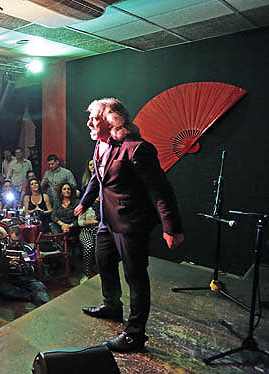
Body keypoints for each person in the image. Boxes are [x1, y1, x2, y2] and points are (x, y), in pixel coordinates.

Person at [74, 98, 184, 353]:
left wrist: (171, 227)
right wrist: (84, 202)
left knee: (135, 276)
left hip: (132, 223)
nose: (89, 122)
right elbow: (97, 179)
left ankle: (135, 334)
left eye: (95, 118)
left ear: (111, 121)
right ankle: (112, 306)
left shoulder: (137, 149)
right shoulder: (101, 145)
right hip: (107, 221)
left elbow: (160, 190)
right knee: (104, 263)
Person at [0, 225, 51, 307]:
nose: (16, 243)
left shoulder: (26, 247)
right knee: (3, 289)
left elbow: (33, 266)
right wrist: (7, 264)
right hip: (7, 277)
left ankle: (47, 304)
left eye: (18, 240)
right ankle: (32, 297)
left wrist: (23, 267)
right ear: (7, 237)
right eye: (13, 241)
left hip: (23, 277)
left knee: (39, 286)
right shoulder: (0, 246)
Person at [78, 197, 100, 280]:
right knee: (89, 246)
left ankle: (101, 269)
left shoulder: (104, 204)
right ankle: (87, 271)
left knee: (102, 248)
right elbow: (79, 222)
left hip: (100, 231)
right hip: (86, 231)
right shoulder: (85, 206)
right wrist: (91, 222)